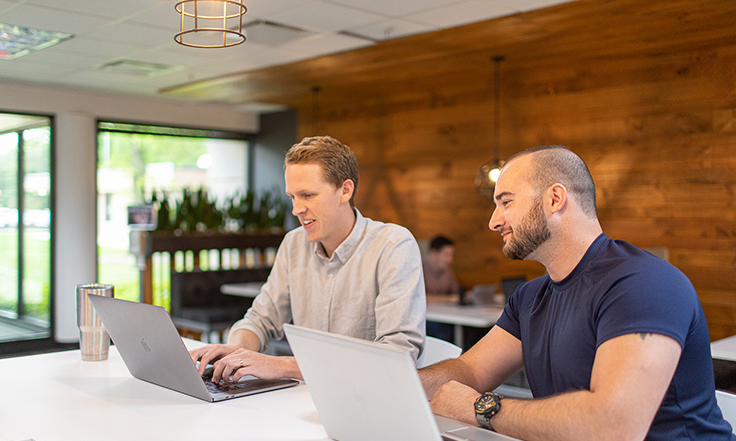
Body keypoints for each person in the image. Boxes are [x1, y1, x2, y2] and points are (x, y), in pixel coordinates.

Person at [420, 145, 734, 440]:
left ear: (555, 199)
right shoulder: (529, 298)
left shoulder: (643, 283)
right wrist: (393, 383)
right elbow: (471, 370)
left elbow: (615, 427)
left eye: (505, 202)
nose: (494, 221)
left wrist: (483, 408)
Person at [190, 136, 426, 384]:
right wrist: (236, 350)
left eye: (308, 195)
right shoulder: (294, 244)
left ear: (345, 190)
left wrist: (283, 366)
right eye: (292, 196)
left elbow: (397, 356)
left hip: (372, 400)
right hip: (308, 399)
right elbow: (262, 319)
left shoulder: (393, 246)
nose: (296, 209)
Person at [423, 235, 460, 343]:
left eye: (451, 255)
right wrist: (449, 299)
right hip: (428, 320)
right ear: (434, 253)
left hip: (446, 317)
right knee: (444, 330)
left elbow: (457, 293)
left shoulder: (448, 271)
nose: (450, 260)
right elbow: (421, 299)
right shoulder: (420, 269)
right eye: (446, 255)